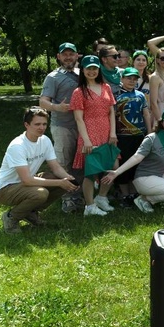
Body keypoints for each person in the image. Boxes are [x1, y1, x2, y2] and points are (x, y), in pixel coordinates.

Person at [0, 107, 78, 233]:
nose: (41, 128)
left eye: (44, 124)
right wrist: (60, 182)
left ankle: (30, 212)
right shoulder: (18, 146)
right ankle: (11, 217)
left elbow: (55, 167)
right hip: (6, 189)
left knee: (62, 182)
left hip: (25, 184)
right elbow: (27, 180)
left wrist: (68, 179)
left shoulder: (44, 140)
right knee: (41, 193)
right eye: (37, 124)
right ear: (26, 125)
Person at [69, 55, 118, 217]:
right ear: (82, 70)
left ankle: (102, 197)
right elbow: (78, 118)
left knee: (113, 166)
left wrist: (113, 132)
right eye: (88, 68)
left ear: (99, 69)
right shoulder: (78, 92)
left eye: (94, 68)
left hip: (106, 132)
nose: (91, 71)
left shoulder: (106, 87)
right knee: (91, 172)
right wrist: (87, 140)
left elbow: (111, 112)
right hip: (89, 133)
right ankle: (89, 206)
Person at [39, 42, 81, 212]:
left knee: (80, 163)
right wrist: (57, 107)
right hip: (63, 126)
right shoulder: (53, 77)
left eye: (72, 54)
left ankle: (79, 194)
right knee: (64, 162)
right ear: (59, 56)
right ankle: (67, 198)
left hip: (83, 125)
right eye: (65, 54)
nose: (68, 57)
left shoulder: (83, 74)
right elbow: (43, 101)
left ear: (77, 56)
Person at [114, 67, 151, 207]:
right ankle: (125, 194)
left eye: (134, 79)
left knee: (138, 165)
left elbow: (146, 114)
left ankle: (135, 192)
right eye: (128, 78)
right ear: (122, 79)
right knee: (124, 165)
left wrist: (149, 131)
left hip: (139, 135)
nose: (131, 81)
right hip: (123, 136)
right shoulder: (116, 96)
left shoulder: (141, 95)